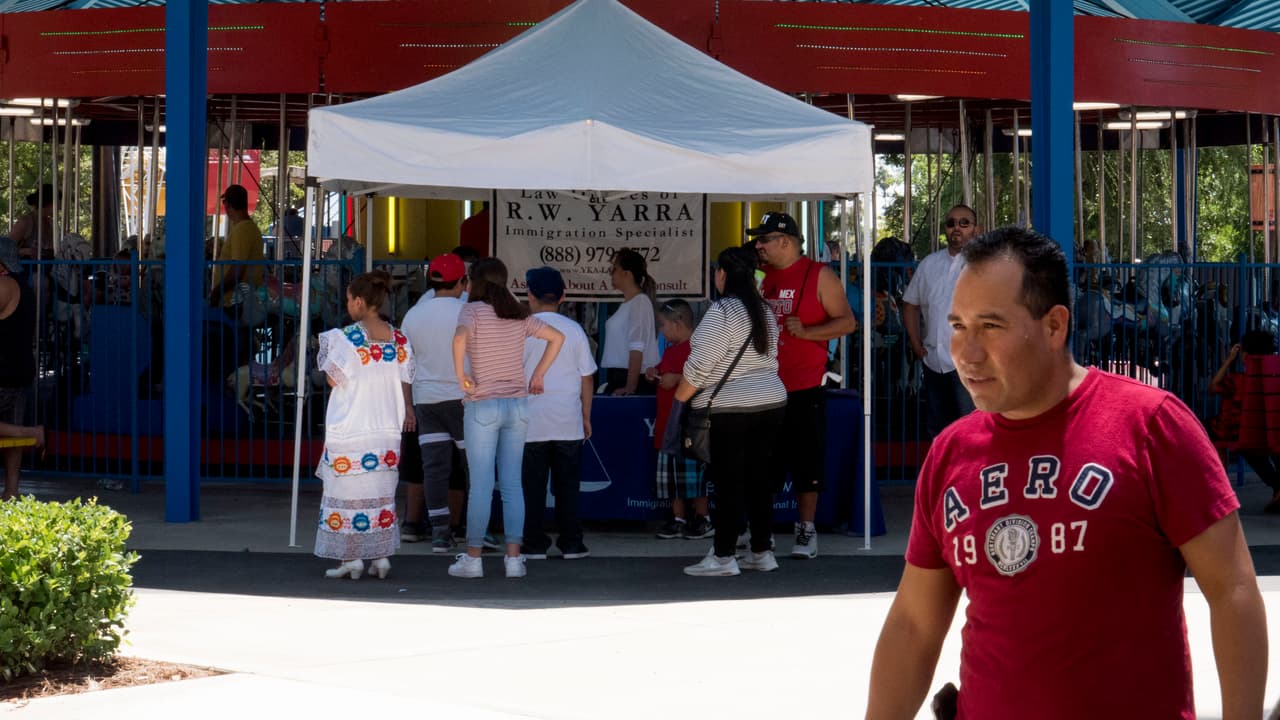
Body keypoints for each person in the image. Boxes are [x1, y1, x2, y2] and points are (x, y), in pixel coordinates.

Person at [866, 226, 1267, 719]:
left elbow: (1233, 589)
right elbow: (914, 624)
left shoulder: (1152, 426)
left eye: (990, 326)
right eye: (957, 326)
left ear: (1055, 326)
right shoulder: (950, 453)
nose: (966, 353)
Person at [449, 258, 564, 579]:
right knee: (513, 484)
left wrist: (462, 377)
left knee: (481, 486)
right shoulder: (518, 314)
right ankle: (514, 559)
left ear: (475, 281)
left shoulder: (471, 311)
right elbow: (557, 338)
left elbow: (459, 339)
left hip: (482, 405)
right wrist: (538, 374)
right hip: (517, 405)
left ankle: (473, 559)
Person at [676, 247, 786, 577]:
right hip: (771, 403)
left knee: (727, 483)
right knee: (759, 481)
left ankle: (724, 556)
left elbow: (700, 365)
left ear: (722, 274)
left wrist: (682, 396)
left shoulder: (721, 312)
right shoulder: (764, 311)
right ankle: (761, 551)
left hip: (729, 409)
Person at [752, 211, 857, 559]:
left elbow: (847, 322)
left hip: (804, 386)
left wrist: (808, 332)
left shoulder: (818, 274)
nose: (759, 245)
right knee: (763, 463)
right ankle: (760, 533)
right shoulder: (758, 275)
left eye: (764, 239)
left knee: (806, 462)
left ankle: (806, 530)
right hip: (764, 385)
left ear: (785, 241)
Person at [314, 271, 415, 580]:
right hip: (385, 427)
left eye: (347, 299)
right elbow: (405, 379)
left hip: (351, 425)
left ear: (358, 301)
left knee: (347, 496)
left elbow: (332, 378)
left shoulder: (346, 338)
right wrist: (408, 409)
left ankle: (352, 558)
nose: (347, 305)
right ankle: (381, 556)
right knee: (380, 496)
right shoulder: (399, 339)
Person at [520, 266, 597, 560]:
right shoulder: (574, 331)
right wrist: (586, 416)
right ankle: (571, 542)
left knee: (532, 489)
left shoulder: (521, 328)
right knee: (568, 488)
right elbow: (586, 376)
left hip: (530, 423)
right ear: (563, 296)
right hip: (568, 421)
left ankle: (534, 543)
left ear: (530, 295)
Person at [401, 253, 471, 553]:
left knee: (434, 469)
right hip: (464, 399)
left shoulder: (413, 315)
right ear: (463, 282)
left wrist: (407, 405)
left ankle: (440, 533)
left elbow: (404, 365)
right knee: (474, 467)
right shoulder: (468, 311)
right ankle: (476, 530)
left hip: (425, 400)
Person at [902, 204, 979, 438]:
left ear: (975, 229)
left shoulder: (985, 265)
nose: (957, 228)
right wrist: (916, 343)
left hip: (969, 365)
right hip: (934, 362)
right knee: (938, 431)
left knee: (970, 429)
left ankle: (970, 476)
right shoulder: (929, 264)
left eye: (964, 223)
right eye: (951, 223)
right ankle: (943, 475)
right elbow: (910, 304)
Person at [647, 299, 713, 540]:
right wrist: (653, 372)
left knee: (694, 474)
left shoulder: (699, 347)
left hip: (689, 426)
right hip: (667, 424)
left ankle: (702, 518)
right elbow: (662, 369)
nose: (661, 330)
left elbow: (706, 376)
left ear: (678, 323)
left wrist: (677, 378)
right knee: (672, 476)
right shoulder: (670, 350)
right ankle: (678, 518)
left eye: (663, 325)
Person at [1209, 329, 1280, 513]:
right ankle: (1279, 489)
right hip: (1271, 431)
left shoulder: (1238, 380)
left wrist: (1229, 360)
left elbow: (1214, 386)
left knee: (1248, 448)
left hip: (1242, 433)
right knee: (1275, 444)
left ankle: (1277, 487)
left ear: (1245, 354)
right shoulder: (1275, 379)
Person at [0, 236, 36, 500]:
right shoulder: (25, 286)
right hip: (20, 369)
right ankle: (11, 492)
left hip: (1, 371)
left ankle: (32, 433)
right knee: (11, 441)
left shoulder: (3, 286)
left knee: (15, 432)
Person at [602, 248, 659, 396]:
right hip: (619, 377)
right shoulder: (630, 303)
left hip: (630, 380)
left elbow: (637, 348)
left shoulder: (640, 302)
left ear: (627, 274)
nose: (611, 273)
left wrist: (630, 387)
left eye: (614, 269)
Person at [209, 184, 265, 307]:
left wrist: (217, 292)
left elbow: (237, 270)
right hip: (240, 299)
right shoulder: (248, 228)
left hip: (234, 302)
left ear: (228, 204)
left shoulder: (242, 230)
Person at [9, 185, 55, 260]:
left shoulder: (51, 224)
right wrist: (27, 251)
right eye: (56, 205)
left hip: (45, 268)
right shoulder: (26, 223)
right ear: (47, 203)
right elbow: (4, 249)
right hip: (25, 268)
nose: (59, 208)